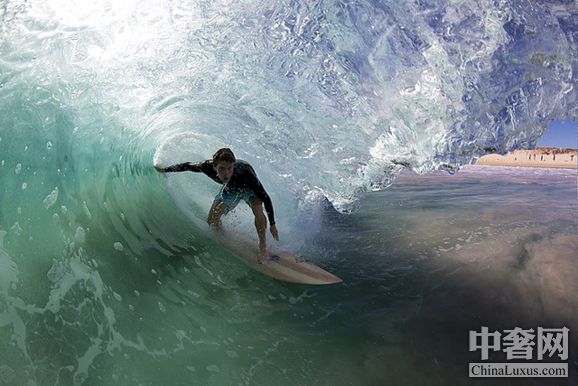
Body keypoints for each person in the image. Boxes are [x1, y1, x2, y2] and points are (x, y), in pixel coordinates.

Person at [155, 148, 279, 263]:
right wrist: (165, 170)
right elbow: (187, 166)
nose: (226, 173)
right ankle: (222, 233)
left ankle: (263, 246)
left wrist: (272, 224)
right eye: (222, 169)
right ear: (214, 167)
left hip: (249, 189)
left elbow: (266, 197)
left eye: (230, 168)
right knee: (211, 220)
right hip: (231, 189)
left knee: (257, 210)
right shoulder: (205, 166)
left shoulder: (245, 173)